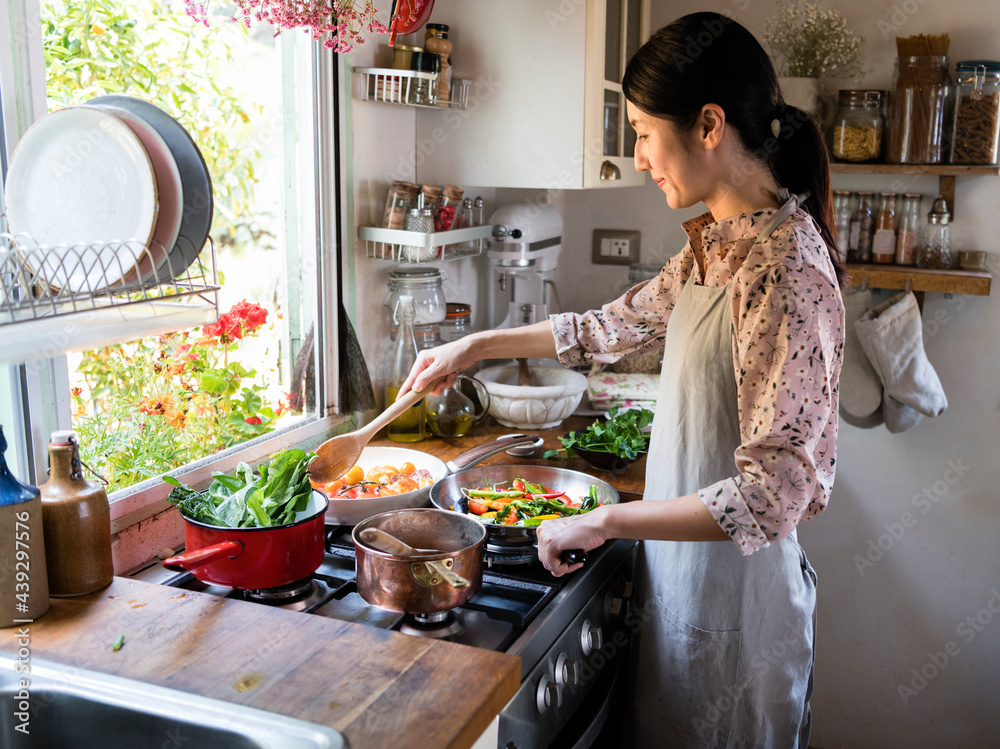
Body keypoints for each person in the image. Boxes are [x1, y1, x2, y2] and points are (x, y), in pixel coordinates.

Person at [399, 11, 845, 748]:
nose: (638, 155)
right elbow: (606, 328)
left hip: (739, 607)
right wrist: (472, 346)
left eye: (642, 130)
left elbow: (771, 497)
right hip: (684, 588)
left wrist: (603, 518)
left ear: (708, 124)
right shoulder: (717, 246)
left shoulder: (784, 269)